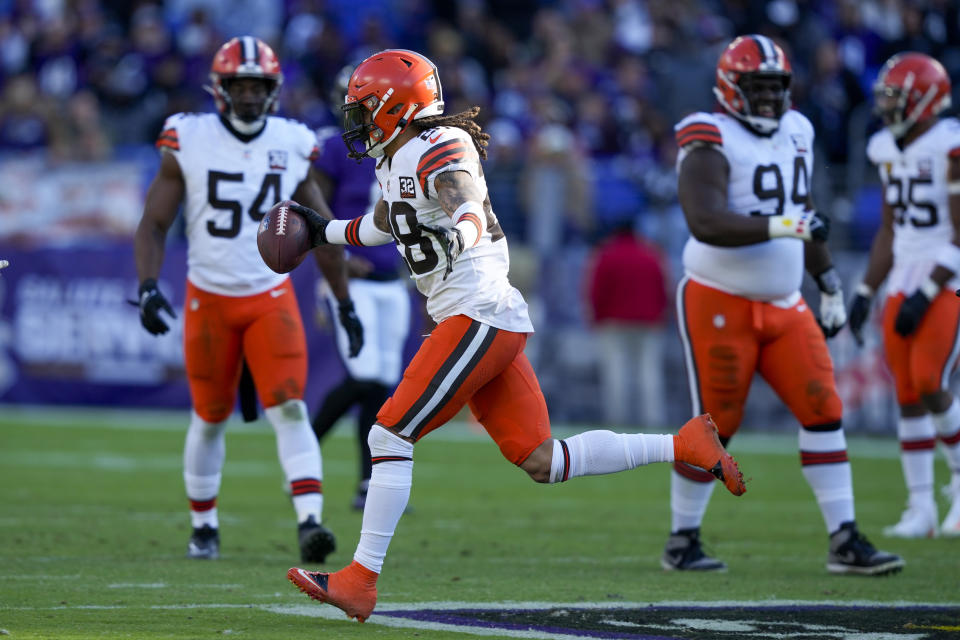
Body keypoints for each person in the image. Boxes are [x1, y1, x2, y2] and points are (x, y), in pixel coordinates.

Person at [284, 48, 746, 623]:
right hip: (481, 316)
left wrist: (467, 228)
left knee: (389, 435)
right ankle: (684, 446)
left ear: (396, 107)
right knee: (542, 460)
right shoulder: (397, 158)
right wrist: (321, 230)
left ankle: (360, 579)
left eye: (363, 109)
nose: (354, 122)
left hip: (476, 313)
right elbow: (385, 223)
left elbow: (463, 196)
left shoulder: (437, 146)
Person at [663, 35, 903, 576]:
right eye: (758, 87)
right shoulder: (708, 134)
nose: (769, 98)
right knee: (716, 423)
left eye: (776, 87)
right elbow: (704, 220)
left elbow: (807, 211)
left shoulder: (799, 129)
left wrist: (830, 282)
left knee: (824, 408)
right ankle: (682, 540)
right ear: (731, 87)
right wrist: (784, 225)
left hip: (786, 301)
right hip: (718, 297)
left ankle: (844, 539)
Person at [133, 36, 364, 562]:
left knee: (289, 407)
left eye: (258, 85)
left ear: (274, 90)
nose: (250, 95)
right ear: (220, 88)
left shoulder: (292, 141)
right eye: (240, 84)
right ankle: (204, 525)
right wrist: (147, 285)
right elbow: (154, 223)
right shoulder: (188, 137)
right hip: (209, 298)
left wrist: (344, 301)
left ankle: (310, 523)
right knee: (210, 415)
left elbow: (322, 229)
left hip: (268, 297)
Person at [848, 52, 960, 538]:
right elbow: (890, 232)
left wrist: (930, 289)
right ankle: (921, 509)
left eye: (898, 97)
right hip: (903, 277)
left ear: (926, 100)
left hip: (949, 274)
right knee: (908, 393)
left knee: (930, 380)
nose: (889, 107)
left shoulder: (949, 145)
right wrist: (865, 289)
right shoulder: (886, 149)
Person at [310, 65, 412, 511]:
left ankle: (368, 484)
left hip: (394, 281)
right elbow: (314, 212)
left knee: (382, 387)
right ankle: (303, 447)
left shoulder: (406, 146)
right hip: (354, 279)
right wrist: (335, 265)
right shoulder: (334, 148)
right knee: (366, 376)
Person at [586, 220, 669, 427]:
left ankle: (617, 417)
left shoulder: (606, 254)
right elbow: (663, 288)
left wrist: (596, 317)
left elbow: (596, 290)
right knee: (649, 371)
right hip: (648, 322)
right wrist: (661, 315)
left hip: (613, 322)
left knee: (616, 371)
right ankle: (653, 418)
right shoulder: (651, 254)